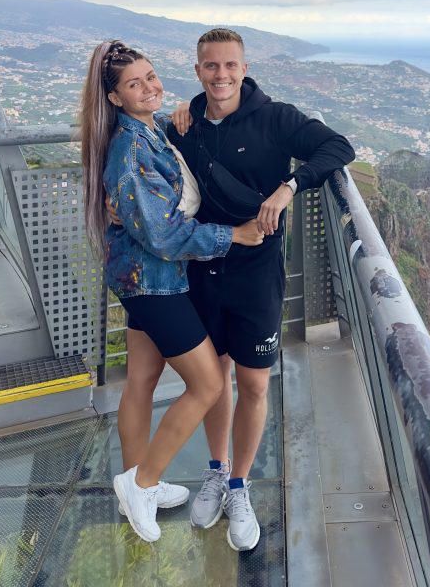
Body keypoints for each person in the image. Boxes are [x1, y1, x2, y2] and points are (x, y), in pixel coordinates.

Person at [168, 28, 355, 552]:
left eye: (230, 66)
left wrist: (290, 184)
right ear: (198, 69)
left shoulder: (275, 118)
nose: (221, 75)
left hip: (257, 275)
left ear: (244, 68)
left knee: (252, 384)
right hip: (203, 270)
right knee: (212, 380)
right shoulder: (186, 125)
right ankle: (215, 469)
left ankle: (238, 485)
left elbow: (338, 146)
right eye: (211, 66)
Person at [79, 40, 263, 544]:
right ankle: (142, 482)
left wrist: (180, 112)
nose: (149, 88)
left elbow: (140, 201)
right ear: (114, 98)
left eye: (151, 76)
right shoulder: (132, 146)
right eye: (134, 84)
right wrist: (235, 236)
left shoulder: (150, 130)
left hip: (140, 277)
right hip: (153, 282)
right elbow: (162, 235)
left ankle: (140, 481)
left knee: (140, 378)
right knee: (207, 385)